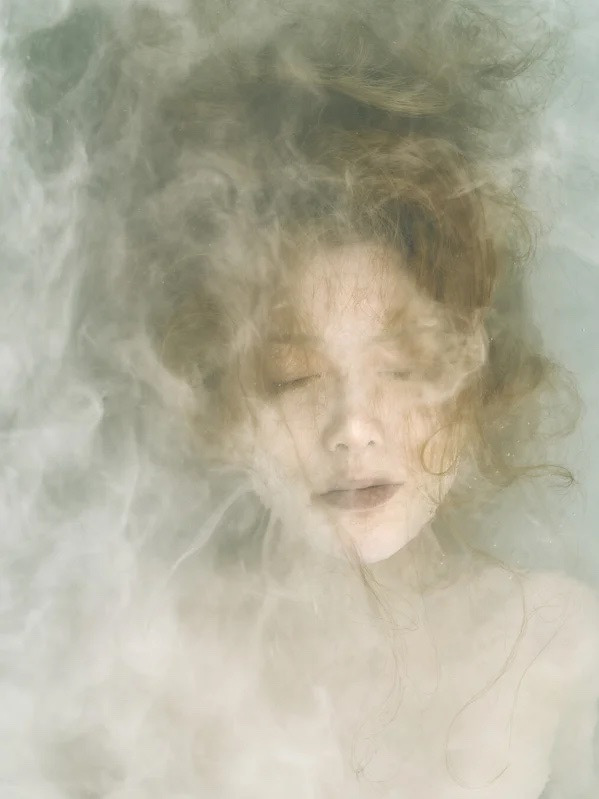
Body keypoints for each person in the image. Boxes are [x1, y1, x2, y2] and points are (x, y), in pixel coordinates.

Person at [136, 3, 599, 795]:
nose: (353, 427)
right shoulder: (147, 650)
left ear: (479, 367)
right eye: (292, 376)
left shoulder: (565, 646)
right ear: (220, 398)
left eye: (405, 365)